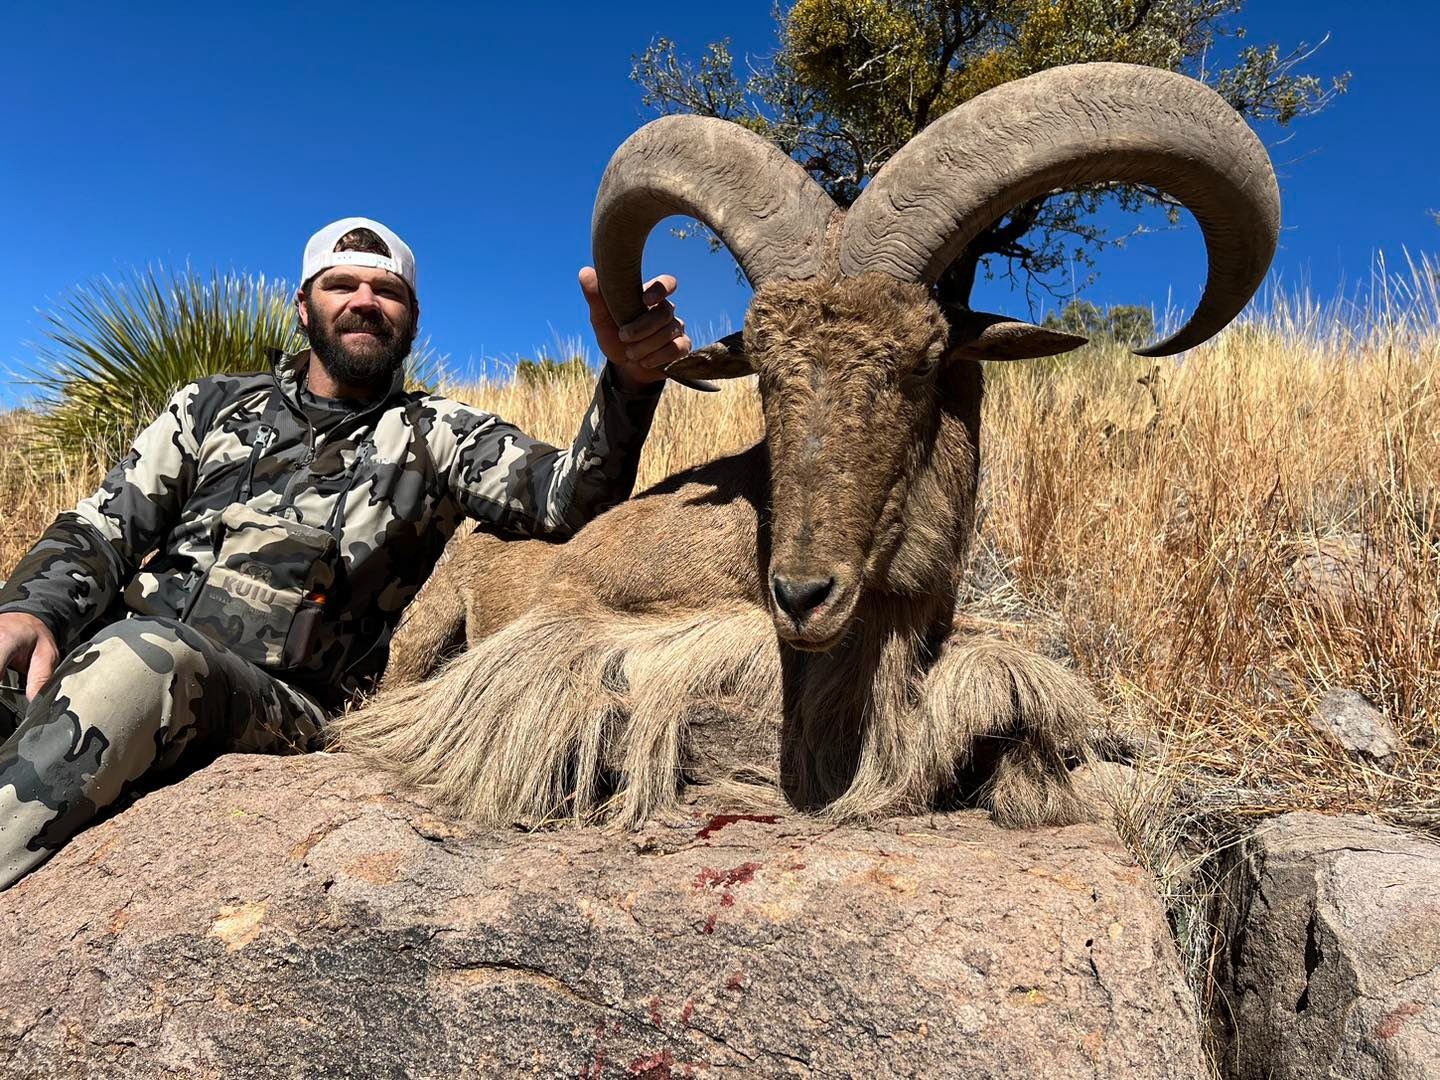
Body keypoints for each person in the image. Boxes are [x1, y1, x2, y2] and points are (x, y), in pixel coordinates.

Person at [0, 217, 692, 890]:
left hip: (279, 705)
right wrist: (32, 611)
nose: (364, 301)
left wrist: (630, 381)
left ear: (411, 321)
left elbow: (569, 502)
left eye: (387, 291)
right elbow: (101, 529)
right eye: (341, 285)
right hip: (117, 649)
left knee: (141, 658)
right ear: (304, 307)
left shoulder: (440, 435)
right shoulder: (210, 407)